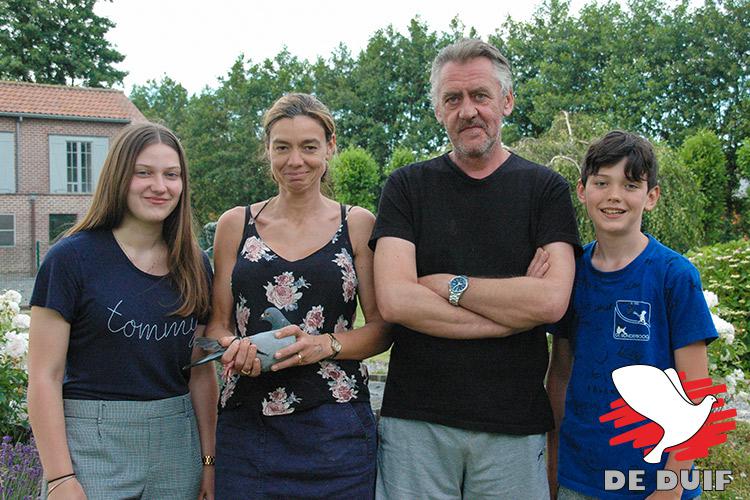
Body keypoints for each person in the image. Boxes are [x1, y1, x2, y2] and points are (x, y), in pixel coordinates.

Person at [369, 38, 581, 499]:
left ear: (507, 101)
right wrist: (511, 316)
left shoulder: (545, 190)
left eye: (480, 95)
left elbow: (550, 301)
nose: (468, 111)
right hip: (417, 425)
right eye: (453, 99)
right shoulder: (406, 187)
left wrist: (450, 285)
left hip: (514, 425)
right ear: (438, 110)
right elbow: (396, 300)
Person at [207, 93, 391, 499]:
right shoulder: (234, 224)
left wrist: (325, 345)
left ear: (330, 147)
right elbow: (217, 325)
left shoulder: (358, 224)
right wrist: (233, 349)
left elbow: (382, 329)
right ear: (267, 150)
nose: (295, 161)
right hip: (247, 426)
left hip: (336, 429)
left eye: (308, 147)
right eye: (282, 148)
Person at [27, 123, 218, 499]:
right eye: (143, 172)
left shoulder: (195, 264)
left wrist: (208, 463)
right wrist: (60, 477)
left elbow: (201, 373)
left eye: (171, 175)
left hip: (177, 449)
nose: (160, 186)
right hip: (91, 446)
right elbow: (44, 376)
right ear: (118, 177)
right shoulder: (70, 259)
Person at [545, 130, 718, 499]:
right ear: (582, 191)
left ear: (651, 196)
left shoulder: (675, 275)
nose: (614, 195)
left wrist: (671, 487)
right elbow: (560, 374)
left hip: (654, 483)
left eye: (630, 185)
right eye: (601, 182)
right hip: (579, 480)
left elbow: (697, 390)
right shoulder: (570, 272)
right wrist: (553, 466)